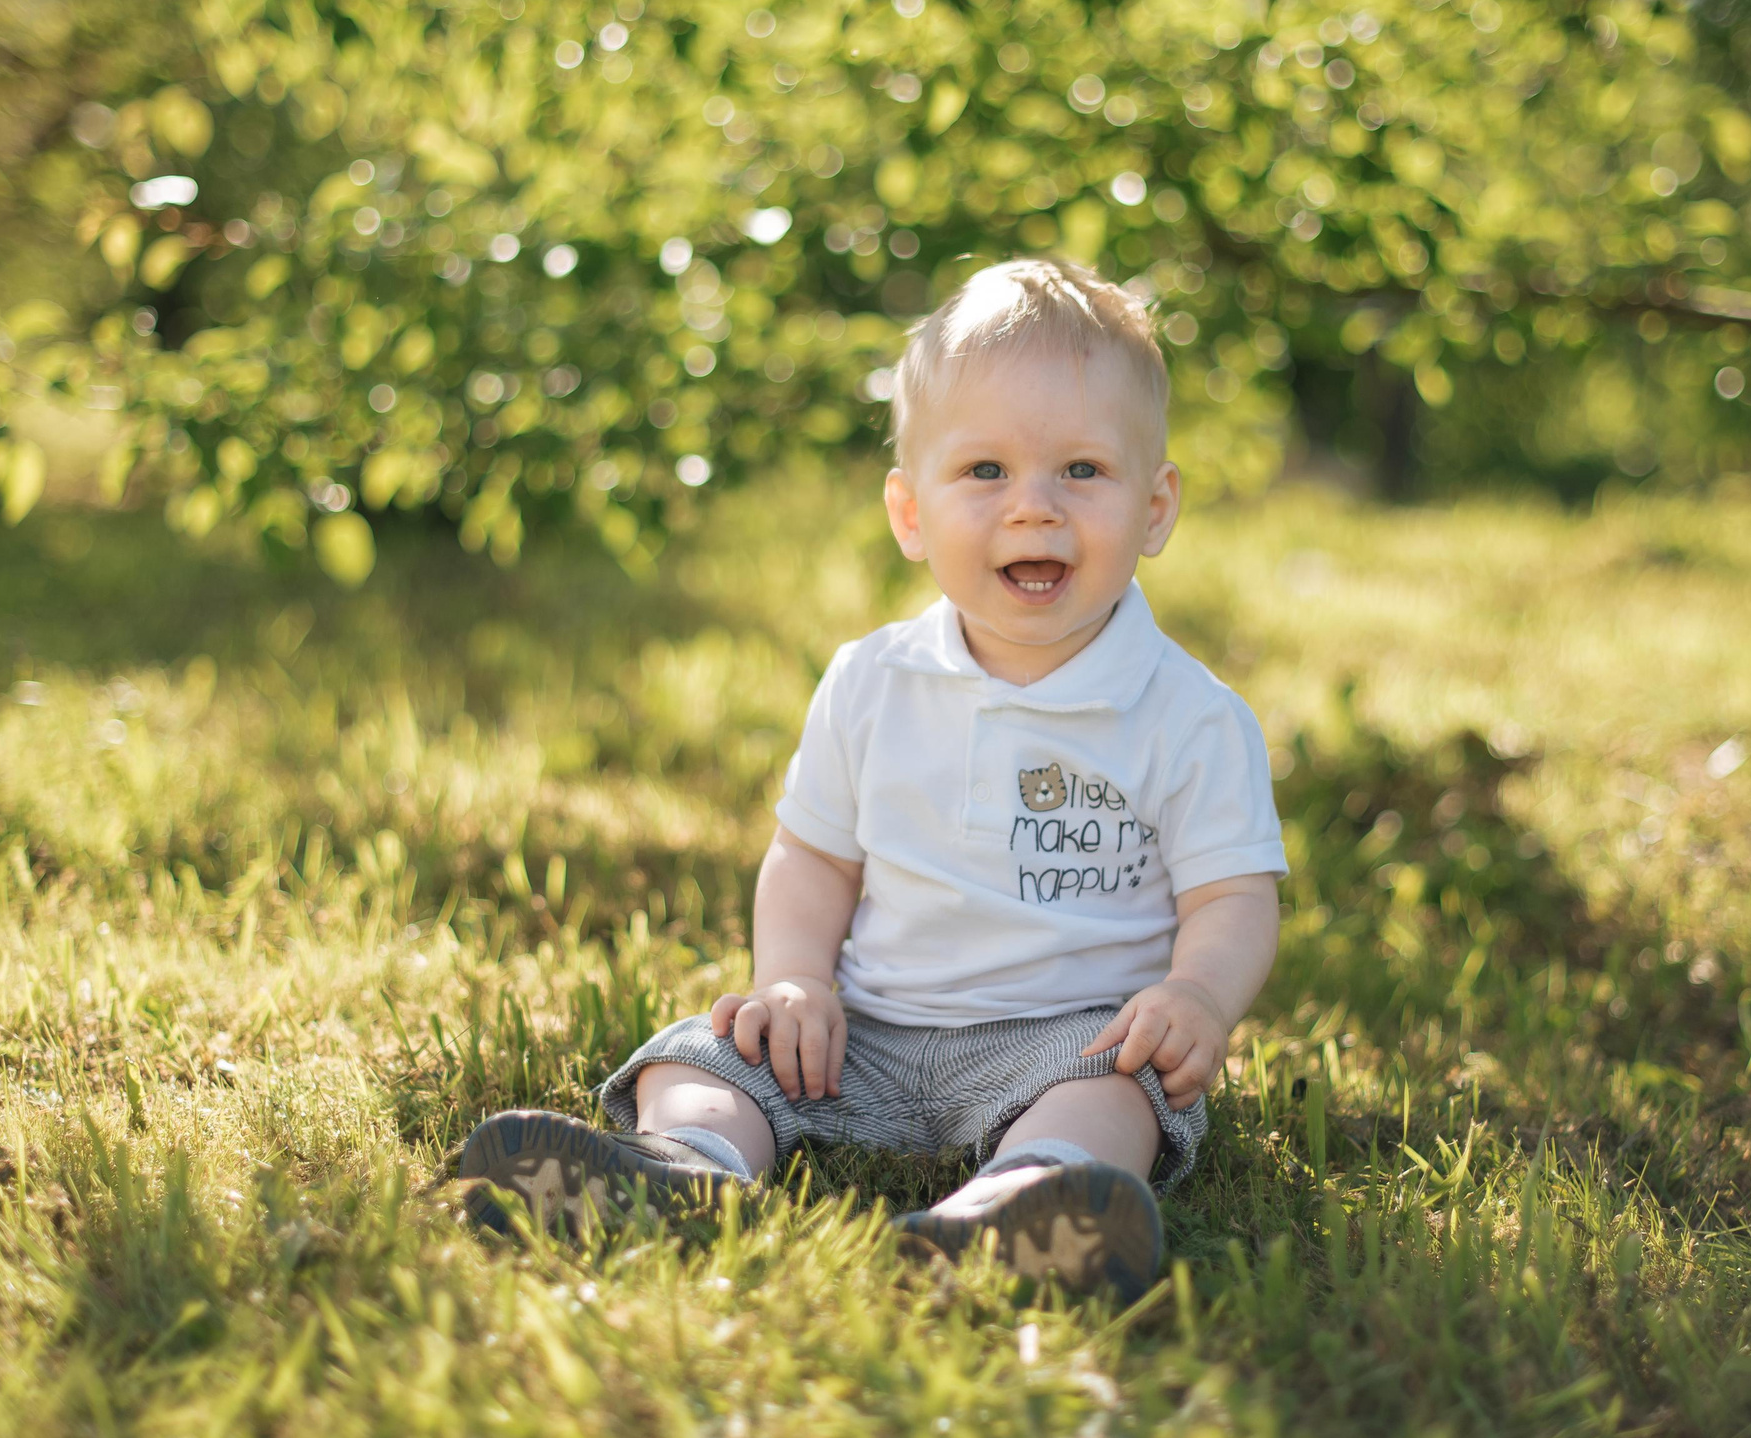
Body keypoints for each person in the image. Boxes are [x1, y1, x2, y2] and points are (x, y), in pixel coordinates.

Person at [459, 259, 1286, 1297]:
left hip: (1068, 1035)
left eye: (1080, 470)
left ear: (1155, 506)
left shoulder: (1191, 715)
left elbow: (1232, 893)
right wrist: (795, 977)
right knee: (698, 1054)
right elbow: (811, 854)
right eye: (984, 471)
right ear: (909, 510)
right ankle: (684, 1168)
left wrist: (1195, 993)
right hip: (862, 1034)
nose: (1031, 509)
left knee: (1118, 1093)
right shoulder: (871, 680)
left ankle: (1028, 1200)